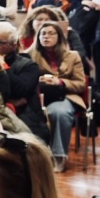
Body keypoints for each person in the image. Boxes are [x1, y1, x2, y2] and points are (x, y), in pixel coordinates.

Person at [27, 19, 85, 171]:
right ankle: (34, 157)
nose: (46, 36)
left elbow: (80, 84)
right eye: (43, 34)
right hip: (37, 97)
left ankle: (58, 156)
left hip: (65, 95)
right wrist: (38, 80)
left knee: (58, 112)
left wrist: (60, 82)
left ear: (59, 36)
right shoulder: (29, 55)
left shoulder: (72, 56)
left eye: (51, 33)